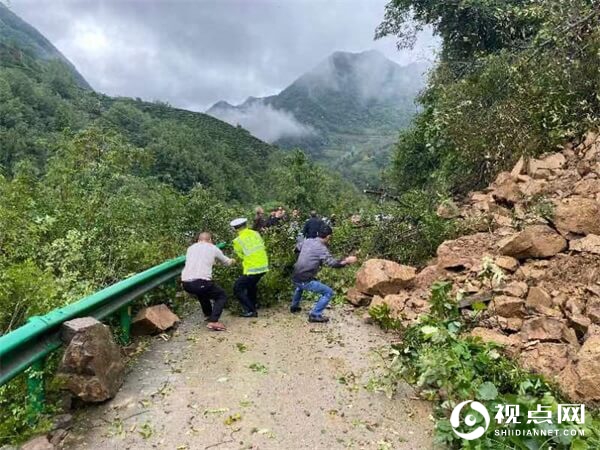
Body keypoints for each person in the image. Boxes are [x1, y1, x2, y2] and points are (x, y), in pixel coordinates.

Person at [291, 224, 357, 322]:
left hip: (295, 275)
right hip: (305, 279)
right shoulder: (322, 248)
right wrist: (347, 260)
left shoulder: (307, 241)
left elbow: (296, 249)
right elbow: (333, 264)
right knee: (328, 292)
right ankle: (315, 315)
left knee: (299, 286)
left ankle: (294, 306)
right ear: (328, 236)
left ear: (318, 233)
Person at [181, 232, 235, 331]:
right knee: (221, 295)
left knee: (202, 293)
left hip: (185, 283)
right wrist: (233, 260)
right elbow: (226, 262)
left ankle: (208, 314)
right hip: (200, 281)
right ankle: (214, 321)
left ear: (198, 240)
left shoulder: (191, 248)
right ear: (210, 240)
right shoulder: (213, 248)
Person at [231, 217, 269, 317]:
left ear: (235, 229)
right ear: (246, 225)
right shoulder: (256, 233)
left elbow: (241, 256)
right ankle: (254, 304)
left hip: (252, 268)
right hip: (264, 266)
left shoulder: (237, 241)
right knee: (251, 285)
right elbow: (262, 246)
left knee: (237, 288)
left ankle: (251, 310)